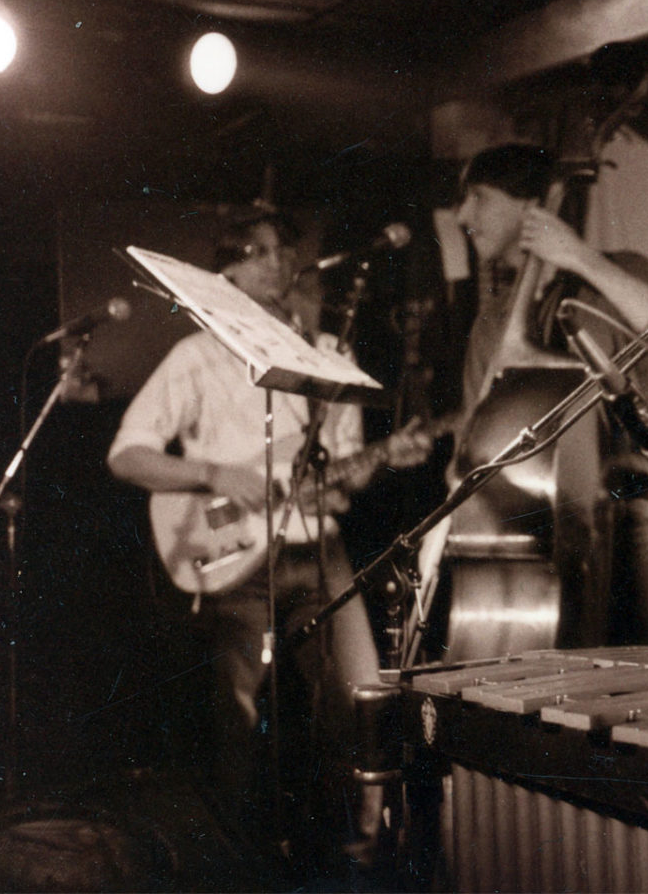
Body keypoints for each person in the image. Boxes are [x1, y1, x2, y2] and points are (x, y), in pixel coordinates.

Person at [107, 211, 429, 866]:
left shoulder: (330, 353)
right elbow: (127, 456)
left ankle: (361, 856)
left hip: (320, 547)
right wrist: (213, 473)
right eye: (259, 252)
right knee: (242, 723)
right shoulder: (195, 355)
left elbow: (338, 476)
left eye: (285, 249)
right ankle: (241, 863)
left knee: (359, 704)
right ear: (224, 273)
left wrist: (377, 462)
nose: (278, 262)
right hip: (233, 555)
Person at [443, 143, 648, 649]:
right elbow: (471, 442)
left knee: (631, 693)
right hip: (523, 536)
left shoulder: (618, 271)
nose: (462, 214)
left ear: (531, 207)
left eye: (478, 196)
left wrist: (580, 258)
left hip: (623, 517)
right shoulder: (492, 322)